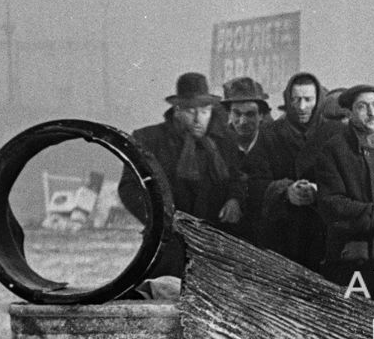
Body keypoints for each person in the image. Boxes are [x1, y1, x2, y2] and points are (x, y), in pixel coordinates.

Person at [118, 71, 236, 278]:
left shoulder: (224, 144)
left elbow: (239, 178)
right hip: (166, 248)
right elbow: (129, 188)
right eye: (191, 111)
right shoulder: (150, 140)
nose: (199, 119)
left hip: (213, 248)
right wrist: (160, 220)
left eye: (205, 111)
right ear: (177, 110)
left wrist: (235, 199)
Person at [308, 84, 374, 291]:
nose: (372, 112)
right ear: (350, 113)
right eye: (362, 107)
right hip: (350, 258)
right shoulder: (334, 149)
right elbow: (331, 204)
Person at [263, 71, 330, 267]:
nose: (301, 107)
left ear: (318, 100)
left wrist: (318, 191)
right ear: (288, 100)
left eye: (308, 100)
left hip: (322, 232)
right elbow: (256, 180)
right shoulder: (270, 134)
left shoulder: (333, 133)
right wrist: (285, 191)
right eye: (296, 99)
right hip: (283, 233)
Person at [208, 75, 283, 245]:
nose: (242, 121)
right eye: (237, 113)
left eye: (250, 114)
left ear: (262, 115)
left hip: (267, 239)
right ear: (228, 114)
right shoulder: (215, 147)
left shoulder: (276, 145)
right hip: (223, 237)